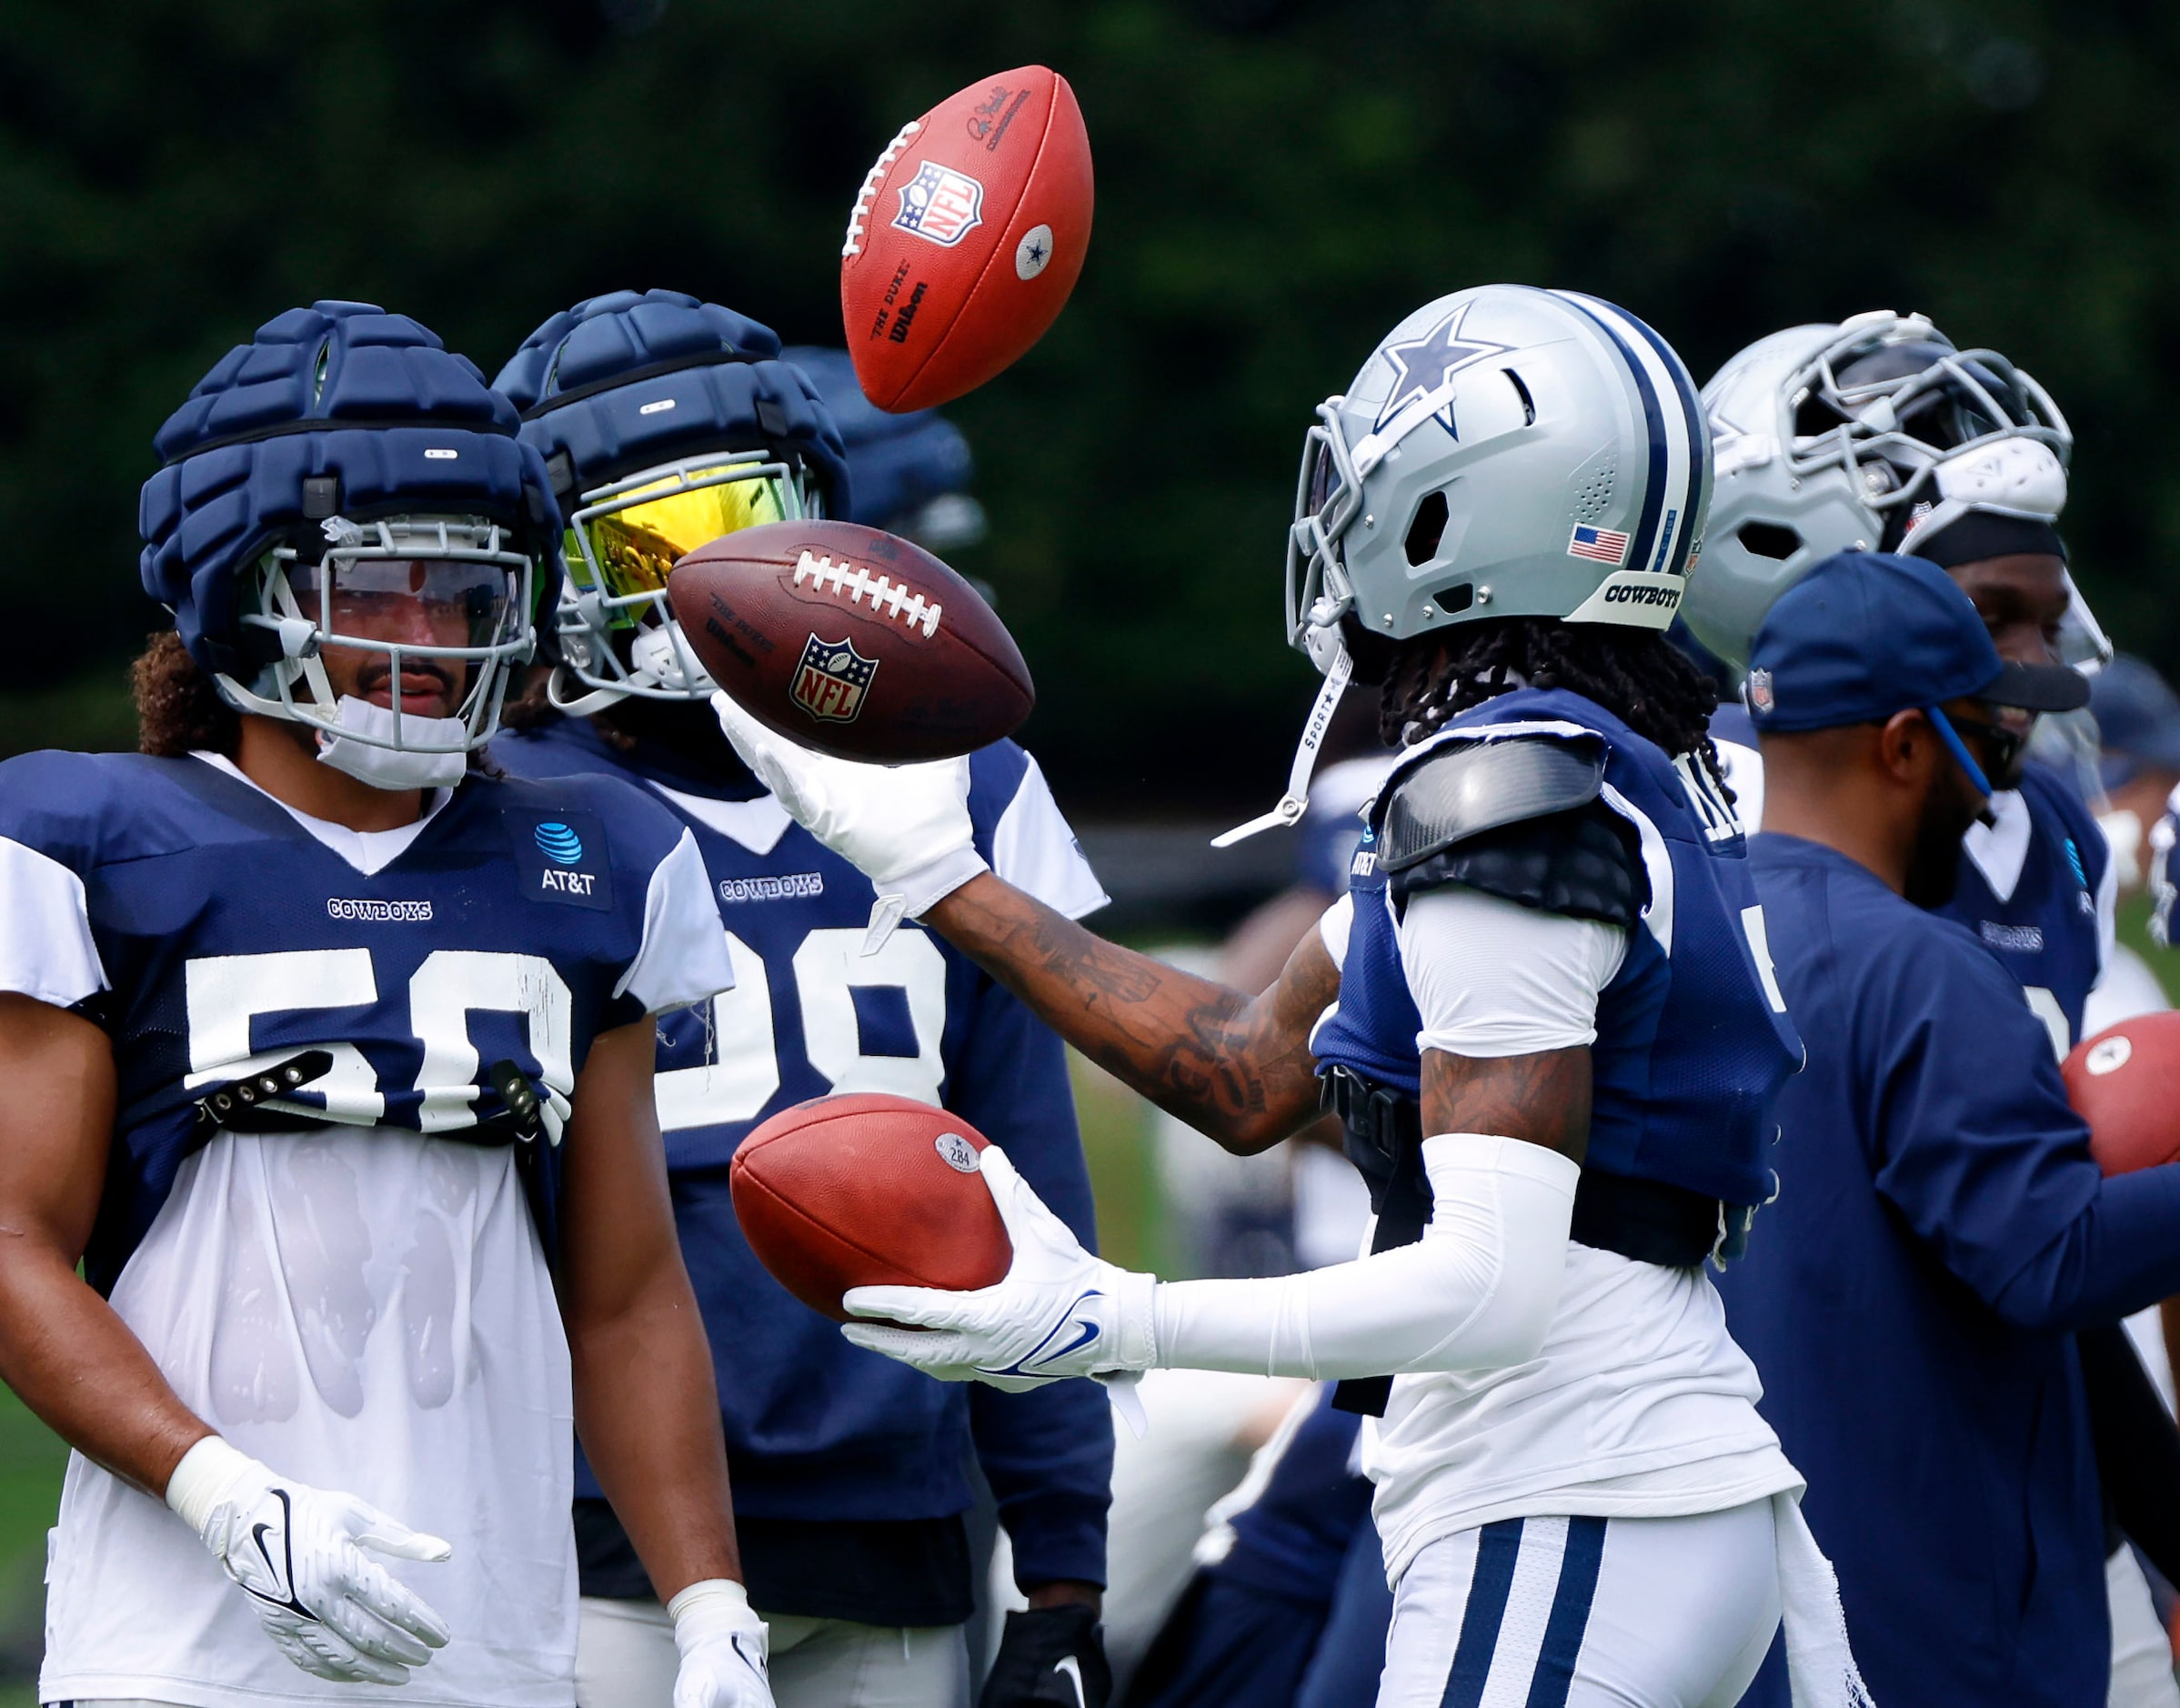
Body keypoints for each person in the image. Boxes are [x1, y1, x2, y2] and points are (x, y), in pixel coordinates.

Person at [716, 283, 1875, 1707]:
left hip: (1575, 1487)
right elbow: (1248, 1069)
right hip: (1625, 1485)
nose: (1335, 516)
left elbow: (1489, 1288)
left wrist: (1105, 1317)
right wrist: (935, 869)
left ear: (1461, 510)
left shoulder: (1499, 804)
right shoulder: (1573, 767)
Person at [0, 302, 770, 1705]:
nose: (426, 636)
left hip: (491, 1647)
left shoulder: (599, 856)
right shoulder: (87, 838)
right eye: (374, 593)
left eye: (460, 595)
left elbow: (629, 1294)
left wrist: (709, 1602)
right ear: (242, 587)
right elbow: (8, 1243)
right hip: (180, 1651)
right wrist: (217, 1487)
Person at [489, 288, 1116, 1708]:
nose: (698, 578)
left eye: (734, 517)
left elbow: (1033, 1189)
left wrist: (1061, 1564)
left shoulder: (967, 775)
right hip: (593, 1529)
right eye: (638, 544)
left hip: (896, 1510)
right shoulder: (507, 812)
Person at [1689, 315, 2180, 1705]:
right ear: (1905, 738)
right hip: (1928, 1553)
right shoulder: (1903, 952)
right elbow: (2047, 1253)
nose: (2021, 711)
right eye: (1986, 653)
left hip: (1741, 1525)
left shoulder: (1690, 902)